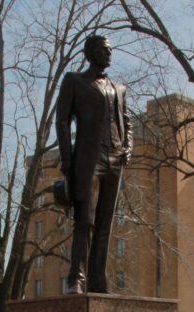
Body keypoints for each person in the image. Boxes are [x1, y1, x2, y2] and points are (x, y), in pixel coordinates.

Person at [55, 35, 133, 294]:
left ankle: (98, 281)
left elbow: (126, 122)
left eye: (110, 49)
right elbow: (62, 120)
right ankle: (75, 278)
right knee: (84, 220)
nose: (109, 53)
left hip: (115, 160)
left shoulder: (119, 89)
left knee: (105, 225)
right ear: (90, 53)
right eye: (103, 49)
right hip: (89, 159)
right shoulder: (75, 81)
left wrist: (128, 148)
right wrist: (67, 159)